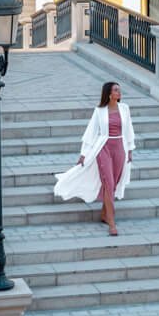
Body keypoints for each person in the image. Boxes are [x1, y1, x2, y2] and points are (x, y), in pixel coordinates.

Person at [53, 81, 135, 236]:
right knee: (108, 182)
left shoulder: (125, 109)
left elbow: (129, 129)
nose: (119, 92)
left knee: (114, 183)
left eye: (119, 90)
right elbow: (90, 132)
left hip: (120, 148)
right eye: (116, 90)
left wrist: (130, 149)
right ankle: (112, 222)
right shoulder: (99, 111)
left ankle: (104, 214)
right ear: (109, 94)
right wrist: (83, 154)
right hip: (103, 148)